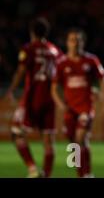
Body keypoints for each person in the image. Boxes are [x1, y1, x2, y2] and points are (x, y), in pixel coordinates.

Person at [4, 17, 61, 178]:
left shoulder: (28, 49)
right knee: (48, 140)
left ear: (31, 32)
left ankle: (32, 168)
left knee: (16, 132)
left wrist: (11, 90)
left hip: (32, 97)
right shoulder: (55, 50)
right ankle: (47, 174)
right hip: (50, 98)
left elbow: (21, 72)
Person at [51, 28, 104, 178]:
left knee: (80, 138)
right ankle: (81, 173)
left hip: (86, 108)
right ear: (67, 43)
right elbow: (53, 88)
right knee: (74, 145)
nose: (75, 43)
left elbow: (103, 82)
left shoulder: (91, 60)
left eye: (78, 40)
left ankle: (87, 174)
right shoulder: (62, 63)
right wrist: (60, 105)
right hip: (70, 110)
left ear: (83, 42)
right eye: (72, 40)